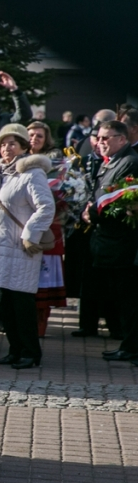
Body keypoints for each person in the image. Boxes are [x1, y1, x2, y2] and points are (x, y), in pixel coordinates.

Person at [0, 124, 56, 369]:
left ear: (25, 147)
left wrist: (30, 234)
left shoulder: (32, 173)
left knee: (22, 305)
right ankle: (15, 349)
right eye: (3, 143)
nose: (6, 147)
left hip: (21, 249)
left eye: (13, 143)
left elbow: (46, 207)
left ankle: (30, 352)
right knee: (5, 307)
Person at [85, 121, 138, 361]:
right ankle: (129, 345)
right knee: (121, 299)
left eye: (107, 138)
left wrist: (93, 213)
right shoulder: (111, 162)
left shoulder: (129, 162)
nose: (101, 141)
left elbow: (120, 201)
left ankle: (131, 346)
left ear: (122, 139)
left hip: (123, 244)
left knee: (129, 300)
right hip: (109, 242)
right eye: (99, 137)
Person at [27, 121, 67, 338]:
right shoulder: (18, 158)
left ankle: (40, 328)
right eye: (30, 134)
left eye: (39, 136)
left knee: (43, 286)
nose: (34, 139)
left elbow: (64, 192)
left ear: (46, 139)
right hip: (22, 227)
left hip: (49, 227)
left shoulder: (57, 163)